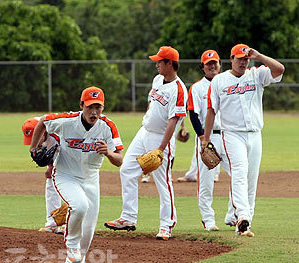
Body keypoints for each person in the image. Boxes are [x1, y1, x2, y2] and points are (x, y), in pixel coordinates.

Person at [30, 86, 123, 263]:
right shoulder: (66, 121)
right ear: (81, 105)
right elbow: (43, 121)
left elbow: (119, 160)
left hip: (91, 179)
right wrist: (34, 148)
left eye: (98, 107)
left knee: (88, 231)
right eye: (90, 107)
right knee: (80, 207)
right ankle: (71, 245)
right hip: (65, 174)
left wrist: (108, 153)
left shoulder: (107, 127)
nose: (94, 112)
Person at [105, 46, 186, 240]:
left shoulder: (179, 89)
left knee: (163, 182)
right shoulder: (157, 80)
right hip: (144, 132)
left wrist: (160, 148)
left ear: (169, 63)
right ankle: (128, 217)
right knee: (126, 170)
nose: (156, 64)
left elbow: (173, 121)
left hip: (161, 138)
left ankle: (167, 225)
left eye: (160, 61)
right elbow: (151, 104)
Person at [203, 44, 284, 237]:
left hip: (255, 134)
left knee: (251, 178)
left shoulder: (256, 74)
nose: (243, 62)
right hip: (232, 134)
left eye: (245, 59)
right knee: (239, 173)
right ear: (231, 59)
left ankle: (245, 224)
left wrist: (259, 56)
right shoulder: (219, 81)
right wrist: (205, 139)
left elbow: (280, 69)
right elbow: (211, 110)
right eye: (239, 58)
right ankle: (242, 216)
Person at [187, 49, 232, 231]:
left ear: (220, 64)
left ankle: (234, 215)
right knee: (205, 182)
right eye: (208, 63)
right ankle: (208, 220)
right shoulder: (197, 88)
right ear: (203, 67)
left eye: (215, 62)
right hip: (208, 137)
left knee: (238, 176)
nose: (212, 66)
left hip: (230, 136)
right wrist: (202, 138)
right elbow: (193, 114)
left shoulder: (229, 83)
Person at [22, 117, 63, 234]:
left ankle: (70, 225)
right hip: (57, 150)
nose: (32, 143)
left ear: (43, 132)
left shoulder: (56, 133)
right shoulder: (37, 129)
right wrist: (50, 166)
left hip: (73, 153)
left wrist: (52, 167)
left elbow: (66, 153)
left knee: (66, 184)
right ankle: (52, 224)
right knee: (50, 182)